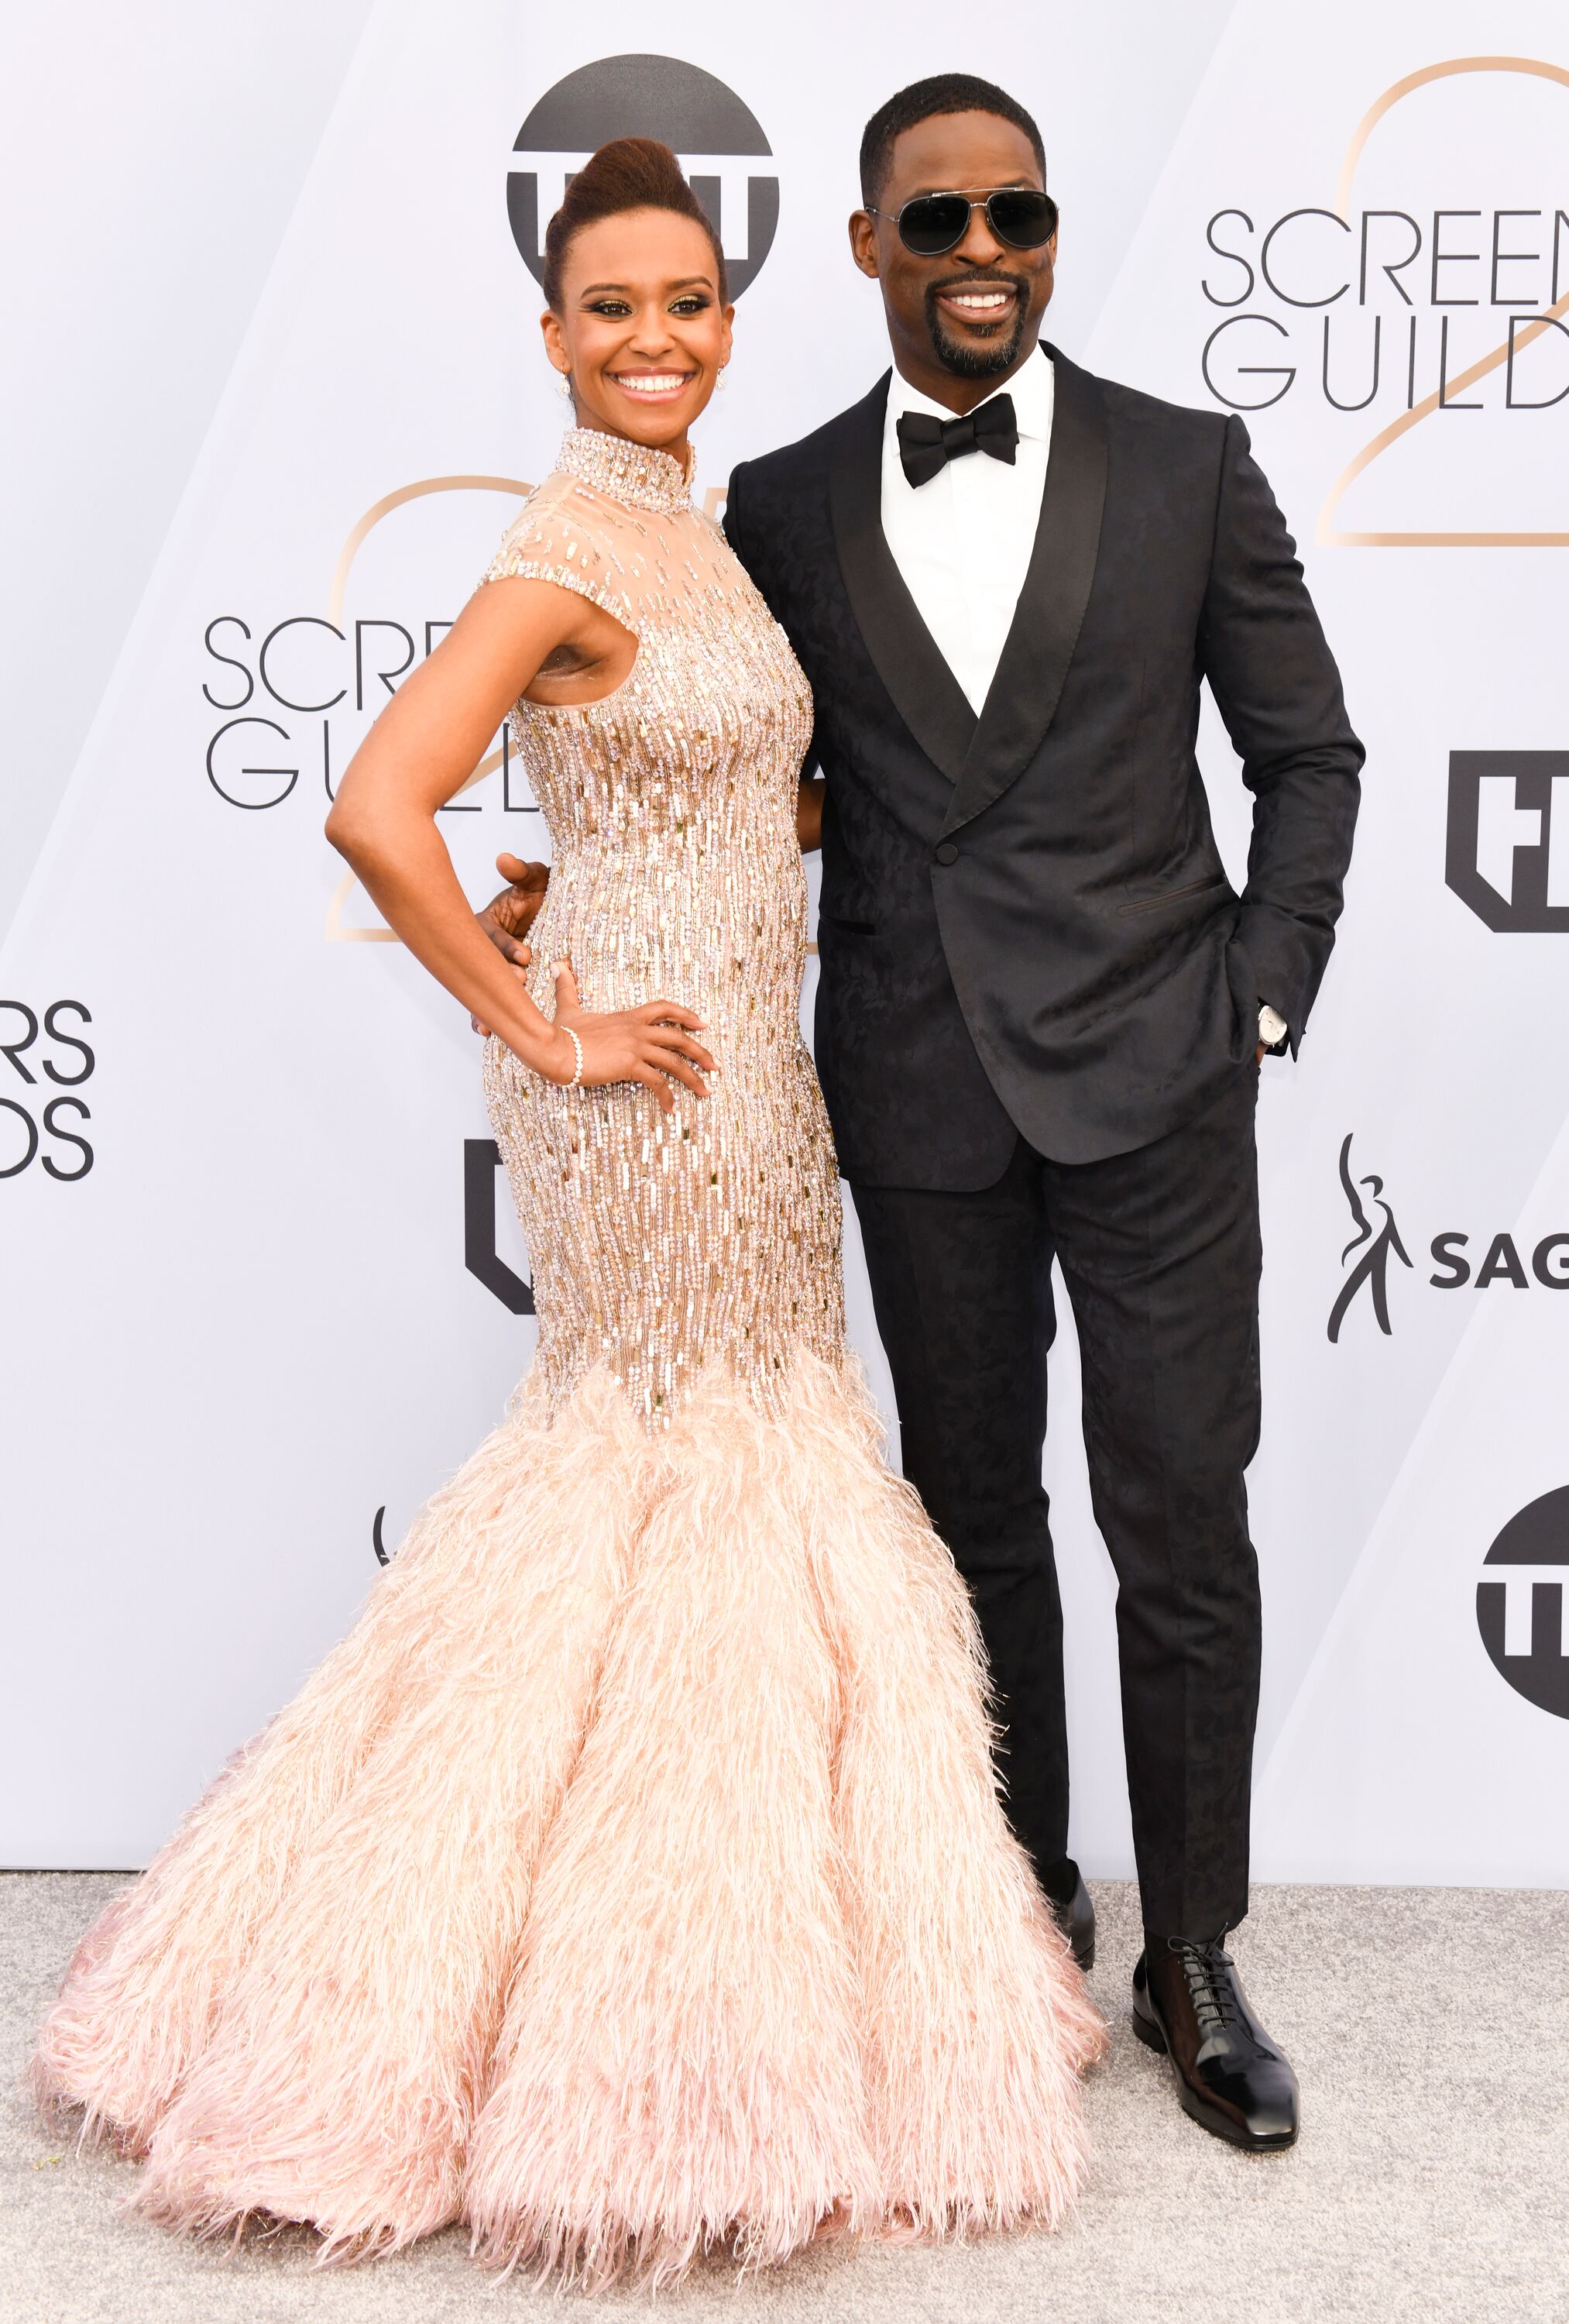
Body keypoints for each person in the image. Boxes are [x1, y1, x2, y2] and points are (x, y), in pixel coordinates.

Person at [33, 137, 1101, 2287]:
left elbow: (658, 788)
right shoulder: (555, 544)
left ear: (728, 319)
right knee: (684, 1461)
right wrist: (539, 1012)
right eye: (609, 309)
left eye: (687, 303)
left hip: (747, 1080)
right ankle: (636, 2048)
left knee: (729, 1458)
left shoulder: (685, 536)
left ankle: (759, 2010)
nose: (652, 341)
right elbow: (373, 801)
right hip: (659, 1101)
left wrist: (562, 883)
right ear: (549, 335)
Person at [485, 77, 1362, 2156]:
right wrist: (572, 887)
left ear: (1049, 238)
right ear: (869, 248)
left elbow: (1307, 753)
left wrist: (1254, 1001)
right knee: (971, 1530)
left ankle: (1195, 1953)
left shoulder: (1182, 466)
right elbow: (733, 754)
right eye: (938, 225)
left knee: (1176, 1525)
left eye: (1016, 219)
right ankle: (1011, 1909)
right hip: (908, 1090)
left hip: (1157, 1087)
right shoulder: (769, 509)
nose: (983, 256)